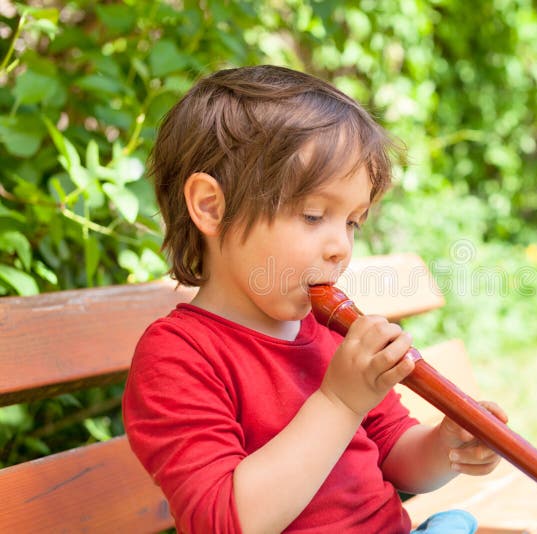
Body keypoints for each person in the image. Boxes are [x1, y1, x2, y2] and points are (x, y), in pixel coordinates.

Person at [122, 65, 508, 534]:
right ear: (210, 206)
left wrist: (448, 445)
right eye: (312, 215)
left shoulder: (328, 334)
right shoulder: (179, 356)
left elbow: (394, 454)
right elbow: (225, 522)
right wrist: (340, 402)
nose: (341, 246)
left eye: (352, 222)